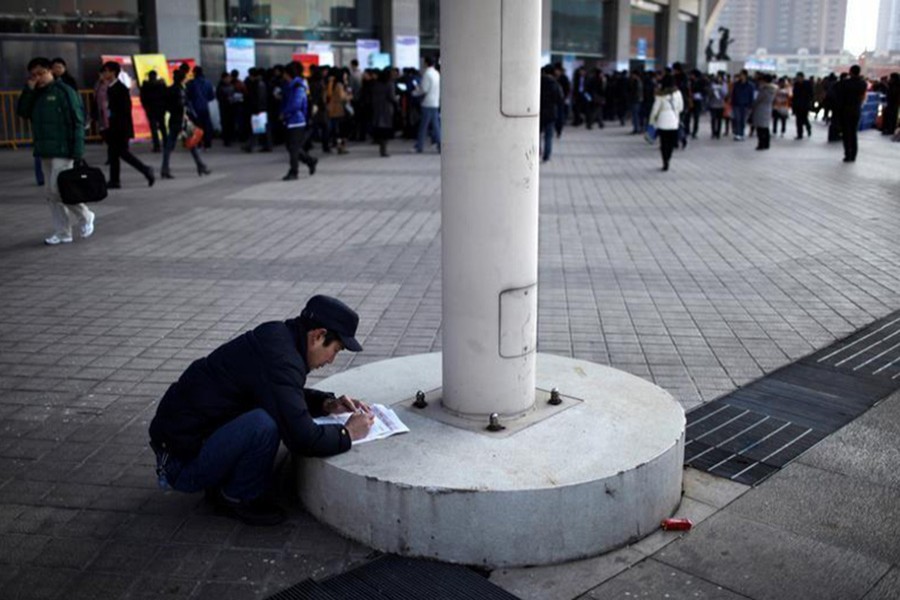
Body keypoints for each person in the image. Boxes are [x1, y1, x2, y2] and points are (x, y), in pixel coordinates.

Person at [148, 295, 374, 526]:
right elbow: (303, 439)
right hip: (180, 465)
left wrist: (326, 404)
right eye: (335, 350)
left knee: (267, 415)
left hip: (184, 444)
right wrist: (348, 433)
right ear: (318, 336)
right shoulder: (282, 358)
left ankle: (224, 481)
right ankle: (237, 497)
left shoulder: (278, 337)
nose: (331, 360)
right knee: (263, 424)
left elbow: (279, 393)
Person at [17, 57, 94, 246]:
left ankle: (86, 215)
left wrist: (77, 151)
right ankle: (63, 233)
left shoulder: (64, 91)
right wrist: (29, 90)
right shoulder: (36, 93)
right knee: (50, 194)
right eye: (33, 75)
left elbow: (77, 121)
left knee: (57, 190)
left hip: (63, 149)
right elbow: (23, 112)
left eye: (41, 73)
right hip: (45, 149)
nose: (38, 78)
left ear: (50, 71)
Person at [101, 61, 155, 189]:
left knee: (122, 153)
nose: (104, 74)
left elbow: (125, 110)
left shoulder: (120, 89)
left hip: (120, 128)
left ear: (113, 72)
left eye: (106, 71)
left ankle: (146, 170)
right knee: (114, 154)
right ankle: (115, 180)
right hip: (114, 127)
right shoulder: (111, 88)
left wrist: (118, 127)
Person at [160, 69, 210, 179]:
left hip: (173, 119)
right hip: (182, 120)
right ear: (183, 79)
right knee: (192, 144)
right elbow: (182, 105)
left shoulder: (169, 89)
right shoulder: (181, 90)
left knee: (169, 146)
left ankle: (165, 169)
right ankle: (200, 166)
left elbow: (166, 105)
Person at [280, 61, 317, 180]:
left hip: (297, 120)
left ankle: (294, 171)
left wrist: (284, 113)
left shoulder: (298, 86)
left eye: (284, 73)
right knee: (291, 147)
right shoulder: (290, 86)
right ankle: (310, 161)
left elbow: (296, 105)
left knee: (293, 148)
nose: (283, 76)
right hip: (290, 120)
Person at [648, 74, 684, 172]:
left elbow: (655, 109)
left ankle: (665, 161)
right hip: (673, 120)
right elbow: (681, 107)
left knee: (663, 142)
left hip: (662, 121)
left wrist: (651, 121)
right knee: (671, 142)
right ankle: (669, 157)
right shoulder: (678, 93)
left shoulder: (660, 95)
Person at [833, 65, 868, 162]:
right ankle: (854, 154)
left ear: (850, 72)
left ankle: (847, 154)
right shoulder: (863, 83)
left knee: (846, 133)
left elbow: (837, 92)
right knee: (853, 133)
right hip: (856, 110)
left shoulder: (845, 83)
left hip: (845, 110)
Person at [413, 56, 441, 153]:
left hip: (427, 103)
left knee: (423, 126)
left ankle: (419, 146)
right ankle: (440, 145)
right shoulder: (437, 73)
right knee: (436, 126)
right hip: (435, 102)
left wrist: (415, 91)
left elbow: (424, 89)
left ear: (425, 63)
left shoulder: (427, 74)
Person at [370, 67, 398, 157]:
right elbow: (392, 97)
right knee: (386, 130)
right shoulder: (390, 84)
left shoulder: (376, 83)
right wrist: (397, 99)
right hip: (386, 108)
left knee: (379, 128)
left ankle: (381, 147)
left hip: (377, 108)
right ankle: (384, 150)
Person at [186, 66, 215, 149]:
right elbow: (212, 97)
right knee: (206, 125)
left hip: (194, 108)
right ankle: (207, 143)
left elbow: (187, 97)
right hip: (205, 107)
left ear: (194, 73)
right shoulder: (208, 83)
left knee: (196, 126)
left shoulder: (191, 83)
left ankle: (198, 143)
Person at [140, 70, 168, 152]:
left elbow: (142, 99)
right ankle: (166, 144)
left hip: (150, 110)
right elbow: (166, 96)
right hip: (160, 109)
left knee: (153, 128)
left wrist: (146, 107)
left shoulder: (145, 86)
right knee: (162, 127)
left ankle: (157, 146)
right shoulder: (161, 85)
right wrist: (165, 107)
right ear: (156, 76)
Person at [539, 64, 563, 162]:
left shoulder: (538, 82)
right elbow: (560, 100)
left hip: (539, 113)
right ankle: (546, 155)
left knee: (537, 135)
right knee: (548, 136)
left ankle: (537, 152)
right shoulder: (555, 84)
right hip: (551, 113)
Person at [752, 74, 776, 150]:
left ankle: (761, 144)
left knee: (760, 128)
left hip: (760, 109)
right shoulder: (773, 89)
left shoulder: (764, 90)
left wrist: (753, 104)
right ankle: (766, 143)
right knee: (765, 127)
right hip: (768, 109)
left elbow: (758, 100)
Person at [730, 70, 754, 141]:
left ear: (745, 75)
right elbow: (733, 94)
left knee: (743, 120)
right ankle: (737, 133)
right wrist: (732, 103)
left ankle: (741, 133)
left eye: (742, 75)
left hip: (746, 105)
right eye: (740, 75)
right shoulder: (736, 84)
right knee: (737, 119)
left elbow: (751, 96)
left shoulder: (750, 85)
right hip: (736, 104)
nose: (741, 76)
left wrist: (751, 105)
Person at [792, 72, 814, 139]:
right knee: (798, 120)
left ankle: (808, 127)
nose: (798, 79)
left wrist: (809, 103)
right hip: (798, 105)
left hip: (805, 105)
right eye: (797, 78)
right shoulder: (796, 84)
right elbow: (794, 95)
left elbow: (811, 94)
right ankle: (799, 134)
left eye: (799, 77)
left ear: (802, 77)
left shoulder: (807, 84)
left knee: (804, 119)